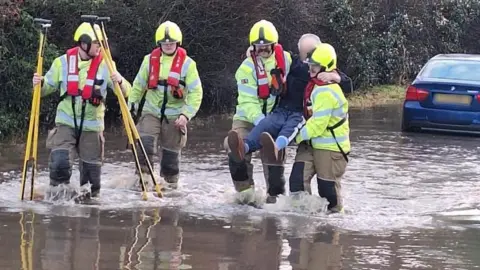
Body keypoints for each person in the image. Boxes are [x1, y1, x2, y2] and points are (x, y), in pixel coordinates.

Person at [32, 22, 131, 199]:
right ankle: (58, 207)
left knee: (91, 182)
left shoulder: (106, 65)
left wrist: (120, 82)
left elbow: (126, 92)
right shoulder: (61, 62)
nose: (99, 47)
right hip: (66, 123)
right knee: (60, 164)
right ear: (84, 44)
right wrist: (40, 84)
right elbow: (45, 89)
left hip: (92, 127)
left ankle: (88, 213)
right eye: (96, 44)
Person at [229, 34, 347, 167]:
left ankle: (277, 147)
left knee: (288, 129)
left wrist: (335, 77)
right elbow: (274, 51)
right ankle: (243, 147)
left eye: (311, 52)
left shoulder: (324, 70)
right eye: (304, 52)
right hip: (282, 109)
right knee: (265, 124)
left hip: (300, 113)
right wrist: (254, 51)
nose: (307, 56)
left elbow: (347, 84)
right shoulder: (293, 62)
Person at [224, 19, 293, 205]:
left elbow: (305, 71)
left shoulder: (286, 60)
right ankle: (245, 194)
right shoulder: (246, 68)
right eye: (258, 47)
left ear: (274, 45)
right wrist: (262, 122)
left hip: (276, 116)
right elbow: (248, 102)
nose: (262, 50)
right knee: (235, 148)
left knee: (274, 158)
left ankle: (275, 199)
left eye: (266, 47)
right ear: (253, 47)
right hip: (247, 118)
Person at [128, 21, 203, 190]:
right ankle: (143, 181)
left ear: (178, 43)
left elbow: (196, 93)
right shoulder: (149, 61)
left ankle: (169, 188)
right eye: (164, 43)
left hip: (175, 116)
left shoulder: (188, 65)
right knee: (145, 145)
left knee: (170, 162)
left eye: (171, 43)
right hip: (151, 111)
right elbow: (138, 86)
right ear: (159, 44)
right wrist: (131, 107)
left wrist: (185, 115)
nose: (168, 46)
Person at [290, 43, 350, 214]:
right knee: (297, 182)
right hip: (310, 144)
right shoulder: (313, 82)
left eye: (314, 66)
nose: (310, 69)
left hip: (330, 148)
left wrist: (295, 137)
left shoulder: (327, 90)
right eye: (309, 65)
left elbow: (317, 125)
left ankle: (330, 231)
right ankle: (302, 225)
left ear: (326, 68)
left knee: (327, 193)